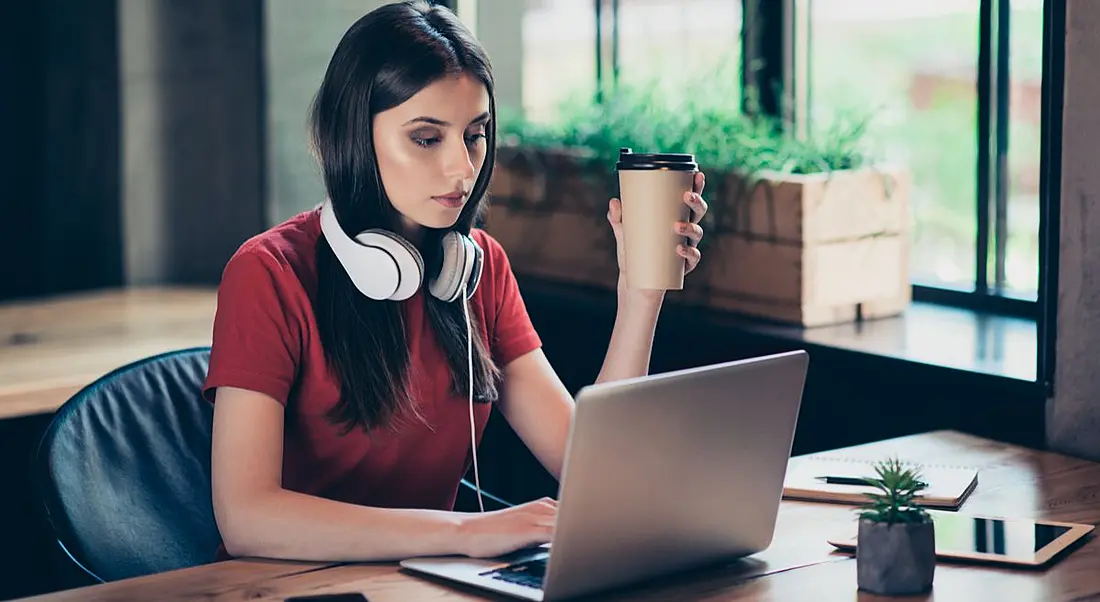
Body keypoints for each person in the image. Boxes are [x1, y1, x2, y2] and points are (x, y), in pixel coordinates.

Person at [203, 0, 708, 564]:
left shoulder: (477, 270)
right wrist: (465, 533)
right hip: (288, 587)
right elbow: (247, 518)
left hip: (422, 583)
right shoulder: (269, 272)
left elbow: (602, 473)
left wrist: (640, 297)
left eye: (475, 135)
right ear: (354, 135)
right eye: (426, 138)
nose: (463, 169)